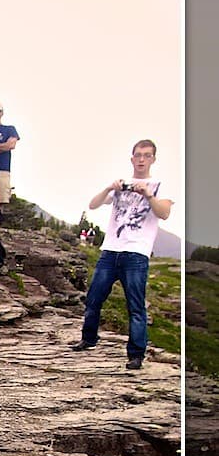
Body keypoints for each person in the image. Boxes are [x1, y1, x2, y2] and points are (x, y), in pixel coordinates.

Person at [72, 139, 173, 370]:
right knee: (94, 298)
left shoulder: (158, 186)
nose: (141, 159)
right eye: (138, 155)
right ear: (131, 158)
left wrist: (148, 195)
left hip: (136, 253)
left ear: (153, 159)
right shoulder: (121, 184)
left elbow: (164, 212)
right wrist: (109, 188)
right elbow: (94, 204)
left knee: (135, 306)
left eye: (146, 155)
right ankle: (88, 339)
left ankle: (136, 354)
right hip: (110, 250)